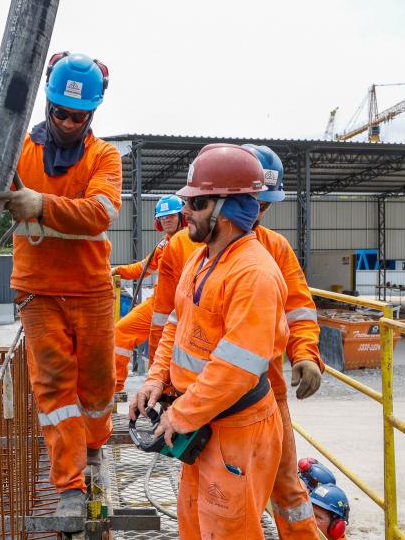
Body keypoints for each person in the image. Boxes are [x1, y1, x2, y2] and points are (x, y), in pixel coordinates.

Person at [148, 144, 326, 538]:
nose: (186, 213)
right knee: (201, 520)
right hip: (204, 409)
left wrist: (306, 353)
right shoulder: (197, 254)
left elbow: (291, 317)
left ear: (224, 207)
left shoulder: (260, 263)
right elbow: (173, 322)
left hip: (244, 404)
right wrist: (158, 379)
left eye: (196, 202)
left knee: (277, 495)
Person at [0, 51, 121, 517]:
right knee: (53, 388)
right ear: (48, 105)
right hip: (37, 289)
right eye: (60, 113)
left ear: (92, 113)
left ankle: (93, 443)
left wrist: (39, 204)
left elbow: (100, 213)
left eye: (78, 116)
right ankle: (69, 485)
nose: (68, 123)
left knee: (98, 384)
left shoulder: (104, 156)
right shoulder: (20, 151)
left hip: (89, 289)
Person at [244, 144, 324, 539]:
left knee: (287, 486)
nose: (257, 212)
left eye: (264, 205)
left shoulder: (275, 247)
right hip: (211, 396)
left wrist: (305, 354)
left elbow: (299, 309)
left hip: (269, 390)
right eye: (252, 201)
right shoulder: (193, 244)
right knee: (228, 492)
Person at [110, 194, 186, 391]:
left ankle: (167, 396)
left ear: (182, 217)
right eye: (163, 217)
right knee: (121, 332)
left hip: (179, 308)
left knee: (167, 355)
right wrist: (118, 271)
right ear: (158, 222)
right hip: (157, 304)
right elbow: (144, 268)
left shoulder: (190, 243)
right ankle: (115, 386)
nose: (167, 220)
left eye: (171, 216)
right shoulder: (163, 244)